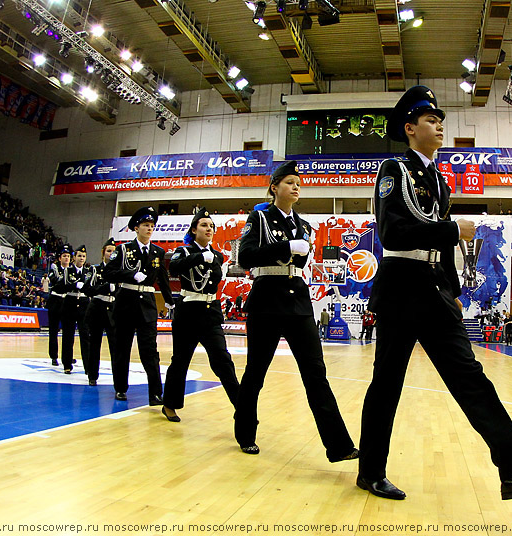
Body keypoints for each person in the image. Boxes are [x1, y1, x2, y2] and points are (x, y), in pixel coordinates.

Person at [358, 86, 512, 501]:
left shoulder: (438, 180)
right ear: (409, 128)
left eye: (440, 120)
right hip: (401, 285)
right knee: (387, 384)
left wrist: (452, 290)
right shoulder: (394, 170)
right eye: (430, 120)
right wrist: (453, 229)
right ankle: (370, 472)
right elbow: (392, 232)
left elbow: (439, 247)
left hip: (434, 289)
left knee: (470, 378)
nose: (439, 126)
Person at [234, 160, 358, 463]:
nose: (296, 186)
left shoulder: (303, 226)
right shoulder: (260, 217)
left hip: (298, 300)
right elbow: (246, 256)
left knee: (316, 373)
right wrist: (287, 246)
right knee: (256, 373)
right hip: (266, 298)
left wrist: (297, 249)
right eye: (289, 182)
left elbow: (299, 264)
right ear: (274, 187)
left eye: (298, 182)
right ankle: (245, 432)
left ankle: (339, 446)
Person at [162, 207, 239, 423]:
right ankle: (170, 403)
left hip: (210, 311)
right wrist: (198, 258)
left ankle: (241, 405)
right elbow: (174, 268)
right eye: (204, 225)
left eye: (212, 226)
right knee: (180, 361)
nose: (209, 229)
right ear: (194, 230)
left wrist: (209, 258)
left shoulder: (218, 256)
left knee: (223, 360)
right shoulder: (184, 251)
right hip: (188, 311)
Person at [104, 206, 174, 405]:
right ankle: (120, 388)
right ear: (136, 228)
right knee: (122, 348)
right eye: (145, 225)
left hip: (148, 305)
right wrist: (129, 274)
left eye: (152, 226)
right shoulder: (124, 250)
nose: (149, 229)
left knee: (150, 350)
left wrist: (169, 300)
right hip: (126, 302)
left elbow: (163, 279)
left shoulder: (157, 252)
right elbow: (108, 273)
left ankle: (155, 393)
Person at [83, 238, 117, 386]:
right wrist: (103, 288)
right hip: (97, 308)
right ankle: (92, 375)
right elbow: (87, 289)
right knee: (94, 344)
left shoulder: (119, 271)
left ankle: (118, 379)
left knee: (116, 347)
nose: (111, 254)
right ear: (103, 253)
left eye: (114, 251)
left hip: (114, 310)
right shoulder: (94, 270)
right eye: (108, 251)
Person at [61, 245, 91, 374]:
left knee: (85, 336)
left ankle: (88, 366)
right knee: (68, 336)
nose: (81, 258)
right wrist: (74, 285)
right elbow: (64, 285)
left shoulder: (89, 272)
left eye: (83, 256)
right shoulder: (68, 270)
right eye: (79, 256)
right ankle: (67, 364)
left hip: (84, 304)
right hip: (70, 303)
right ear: (74, 257)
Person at [46, 245, 72, 367]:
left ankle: (67, 356)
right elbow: (55, 282)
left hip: (67, 301)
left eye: (68, 256)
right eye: (64, 256)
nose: (66, 258)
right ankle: (54, 356)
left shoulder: (72, 270)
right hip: (56, 301)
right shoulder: (54, 269)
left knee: (68, 331)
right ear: (60, 258)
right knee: (53, 330)